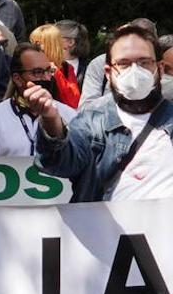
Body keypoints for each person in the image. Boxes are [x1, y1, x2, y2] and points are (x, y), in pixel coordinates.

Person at [31, 24, 173, 202]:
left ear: (159, 68)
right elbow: (58, 164)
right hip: (103, 229)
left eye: (144, 62)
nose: (135, 71)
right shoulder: (91, 122)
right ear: (108, 72)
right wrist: (51, 122)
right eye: (124, 63)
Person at [0, 44, 78, 157]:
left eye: (49, 71)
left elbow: (79, 160)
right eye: (38, 72)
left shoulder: (69, 114)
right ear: (18, 79)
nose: (46, 78)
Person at [29, 23, 81, 109]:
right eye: (32, 43)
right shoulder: (31, 66)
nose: (32, 47)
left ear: (51, 45)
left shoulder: (66, 68)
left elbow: (74, 101)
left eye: (37, 43)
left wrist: (56, 73)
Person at [56, 19, 90, 90]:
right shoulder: (45, 65)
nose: (50, 42)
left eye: (55, 38)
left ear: (71, 42)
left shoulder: (90, 68)